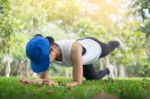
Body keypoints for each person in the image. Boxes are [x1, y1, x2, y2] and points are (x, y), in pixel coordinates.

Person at [20, 34, 120, 86]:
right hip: (81, 60)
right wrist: (30, 82)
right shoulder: (46, 52)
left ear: (52, 49)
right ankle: (108, 70)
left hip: (95, 47)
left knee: (109, 48)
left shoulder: (73, 49)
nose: (44, 63)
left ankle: (116, 42)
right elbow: (43, 78)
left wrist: (57, 84)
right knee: (94, 78)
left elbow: (77, 82)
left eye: (44, 61)